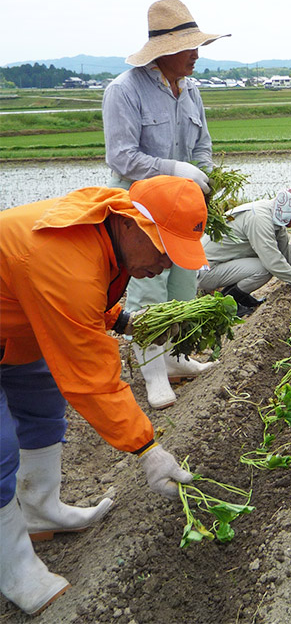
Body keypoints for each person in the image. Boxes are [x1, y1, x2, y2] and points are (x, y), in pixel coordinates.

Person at [0, 176, 207, 616]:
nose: (166, 266)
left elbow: (84, 293)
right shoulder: (61, 260)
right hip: (20, 315)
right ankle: (14, 567)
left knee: (43, 407)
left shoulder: (106, 224)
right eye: (163, 252)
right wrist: (148, 450)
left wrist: (123, 319)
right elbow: (92, 377)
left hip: (16, 325)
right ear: (132, 225)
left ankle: (39, 511)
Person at [103, 0, 229, 408]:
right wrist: (175, 169)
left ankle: (176, 361)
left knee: (184, 283)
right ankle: (154, 376)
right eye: (190, 48)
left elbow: (203, 143)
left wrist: (202, 177)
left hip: (181, 206)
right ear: (166, 51)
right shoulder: (124, 90)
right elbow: (122, 156)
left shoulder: (190, 89)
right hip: (138, 209)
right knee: (148, 290)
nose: (197, 55)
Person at [197, 185, 291, 315]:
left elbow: (286, 253)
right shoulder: (260, 219)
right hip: (205, 270)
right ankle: (229, 303)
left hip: (222, 263)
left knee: (265, 262)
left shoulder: (274, 216)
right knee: (264, 268)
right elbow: (273, 262)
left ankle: (240, 297)